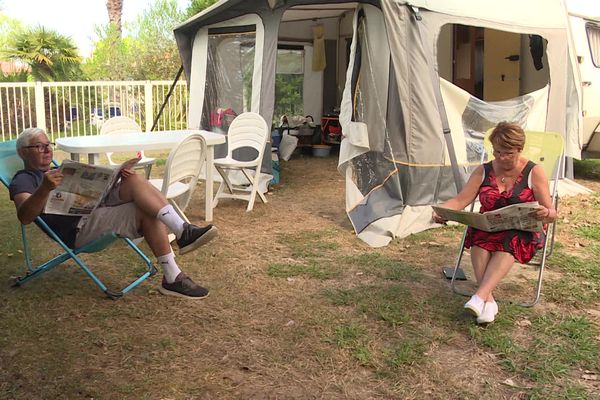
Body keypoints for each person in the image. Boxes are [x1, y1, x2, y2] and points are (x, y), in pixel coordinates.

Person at [9, 127, 218, 300]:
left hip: (94, 208)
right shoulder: (24, 179)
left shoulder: (61, 171)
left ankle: (183, 230)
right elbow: (25, 216)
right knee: (145, 211)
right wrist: (44, 188)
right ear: (23, 153)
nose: (47, 150)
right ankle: (173, 276)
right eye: (39, 146)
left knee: (133, 180)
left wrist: (114, 177)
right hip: (79, 228)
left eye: (48, 145)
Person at [432, 122, 557, 324]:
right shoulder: (484, 170)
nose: (501, 157)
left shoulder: (534, 172)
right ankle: (487, 301)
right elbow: (461, 199)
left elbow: (552, 213)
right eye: (497, 152)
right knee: (479, 236)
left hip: (522, 229)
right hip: (490, 225)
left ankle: (480, 296)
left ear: (519, 150)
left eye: (508, 153)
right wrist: (443, 211)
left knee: (510, 240)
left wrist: (545, 213)